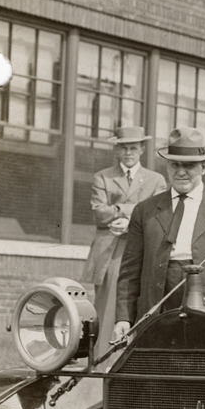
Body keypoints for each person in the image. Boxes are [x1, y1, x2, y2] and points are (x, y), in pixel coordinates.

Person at [113, 127, 205, 340]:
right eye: (175, 164)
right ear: (167, 166)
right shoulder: (145, 210)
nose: (181, 172)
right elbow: (130, 271)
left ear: (204, 167)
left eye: (189, 165)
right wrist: (123, 318)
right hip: (157, 312)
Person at [81, 126, 168, 358]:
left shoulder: (156, 180)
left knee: (140, 303)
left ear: (142, 149)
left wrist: (127, 218)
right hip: (109, 249)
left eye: (133, 148)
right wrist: (137, 210)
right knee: (106, 306)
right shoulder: (103, 177)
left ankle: (133, 362)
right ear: (117, 150)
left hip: (142, 247)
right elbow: (99, 214)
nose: (128, 153)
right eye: (124, 148)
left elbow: (158, 214)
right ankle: (101, 362)